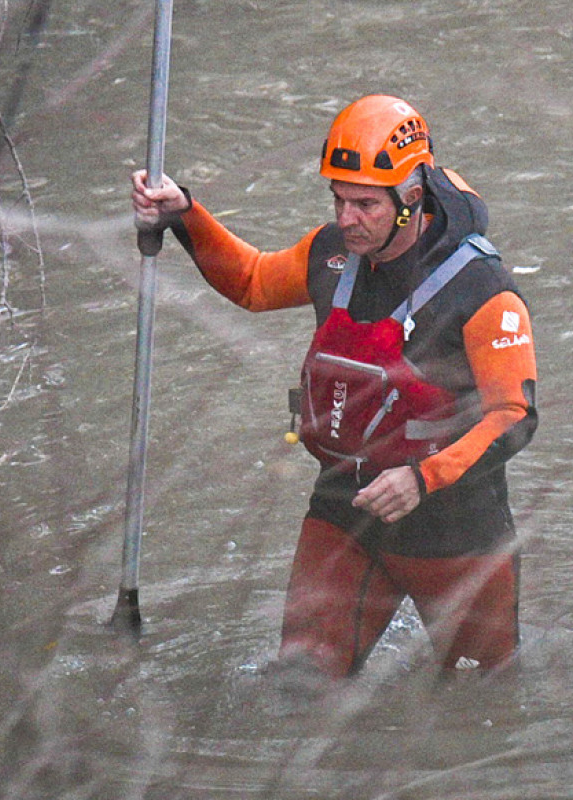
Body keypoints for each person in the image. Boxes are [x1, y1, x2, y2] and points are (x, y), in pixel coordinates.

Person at [130, 94, 538, 679]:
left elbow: (514, 414)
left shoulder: (482, 290)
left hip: (458, 530)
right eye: (339, 200)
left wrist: (424, 479)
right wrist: (182, 214)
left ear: (412, 199)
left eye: (366, 204)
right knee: (298, 684)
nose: (347, 219)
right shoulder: (331, 254)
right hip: (346, 506)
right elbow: (251, 282)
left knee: (481, 695)